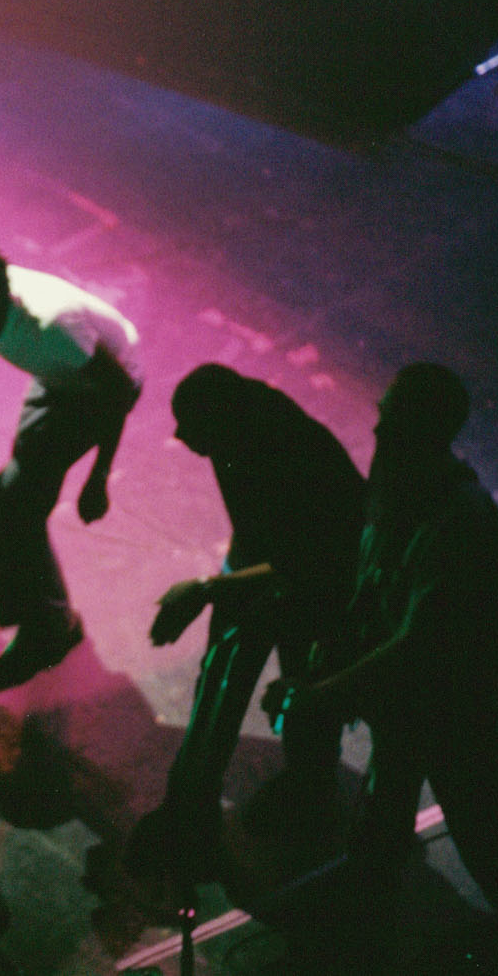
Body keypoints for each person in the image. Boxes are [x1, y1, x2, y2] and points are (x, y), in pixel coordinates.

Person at [262, 364, 498, 966]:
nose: (377, 426)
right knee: (381, 829)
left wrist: (322, 694)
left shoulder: (460, 517)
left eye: (391, 415)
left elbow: (418, 647)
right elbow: (369, 588)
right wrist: (326, 663)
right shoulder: (399, 489)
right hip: (407, 712)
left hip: (454, 720)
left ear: (422, 427)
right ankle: (360, 938)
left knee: (493, 846)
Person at [128, 363, 365, 893]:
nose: (179, 436)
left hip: (325, 581)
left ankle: (309, 790)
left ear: (221, 421)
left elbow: (307, 561)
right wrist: (224, 588)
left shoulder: (287, 449)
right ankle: (190, 808)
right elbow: (257, 525)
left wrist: (208, 590)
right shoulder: (234, 429)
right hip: (274, 561)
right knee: (219, 683)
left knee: (303, 688)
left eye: (190, 425)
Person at [0, 242, 142, 693]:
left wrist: (98, 478)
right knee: (8, 505)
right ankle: (48, 624)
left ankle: (47, 633)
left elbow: (119, 391)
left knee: (10, 508)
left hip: (94, 393)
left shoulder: (54, 326)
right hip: (56, 378)